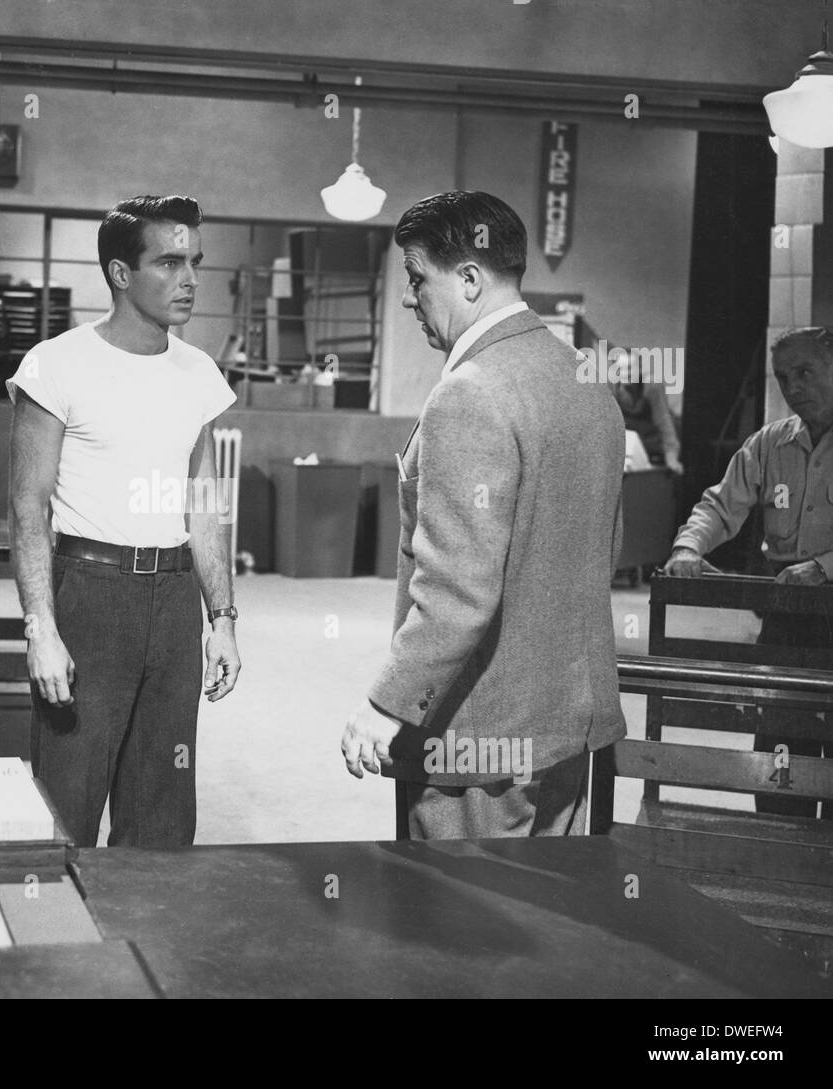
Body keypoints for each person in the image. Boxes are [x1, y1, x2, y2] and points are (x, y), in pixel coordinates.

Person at [340, 190, 627, 839]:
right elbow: (603, 549)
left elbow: (458, 589)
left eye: (417, 278)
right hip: (567, 727)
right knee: (547, 919)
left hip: (478, 741)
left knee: (455, 927)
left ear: (469, 278)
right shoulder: (585, 379)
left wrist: (387, 704)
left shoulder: (468, 395)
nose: (409, 298)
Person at [7, 194, 240, 848]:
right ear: (119, 273)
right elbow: (28, 509)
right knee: (67, 805)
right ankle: (63, 946)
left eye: (195, 261)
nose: (190, 278)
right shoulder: (56, 365)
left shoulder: (197, 373)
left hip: (172, 601)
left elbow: (203, 503)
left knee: (162, 811)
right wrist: (40, 628)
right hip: (90, 592)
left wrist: (222, 618)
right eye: (169, 263)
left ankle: (148, 948)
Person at [666, 326, 833, 817]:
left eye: (806, 372)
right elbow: (720, 506)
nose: (794, 387)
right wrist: (689, 547)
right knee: (780, 753)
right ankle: (778, 859)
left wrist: (823, 568)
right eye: (784, 377)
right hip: (786, 620)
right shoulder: (770, 444)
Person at [610, 350, 683, 473]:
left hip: (658, 445)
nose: (624, 374)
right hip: (635, 447)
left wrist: (672, 460)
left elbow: (664, 423)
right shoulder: (613, 390)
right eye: (620, 369)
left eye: (629, 368)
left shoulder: (652, 386)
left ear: (639, 369)